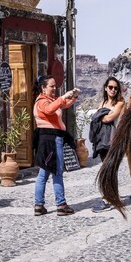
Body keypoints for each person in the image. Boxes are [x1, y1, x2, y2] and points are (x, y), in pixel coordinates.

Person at [32, 75, 79, 216]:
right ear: (43, 88)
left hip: (49, 139)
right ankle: (61, 205)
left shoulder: (49, 100)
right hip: (51, 140)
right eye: (51, 86)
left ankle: (39, 205)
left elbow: (63, 104)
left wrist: (74, 96)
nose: (54, 88)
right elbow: (49, 110)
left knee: (44, 172)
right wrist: (64, 95)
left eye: (55, 86)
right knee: (57, 172)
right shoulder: (41, 102)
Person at [90, 76, 126, 212]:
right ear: (105, 88)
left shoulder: (120, 103)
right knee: (107, 168)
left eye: (116, 88)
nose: (113, 90)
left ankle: (108, 199)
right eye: (110, 87)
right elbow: (100, 118)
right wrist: (101, 116)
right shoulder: (102, 102)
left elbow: (109, 118)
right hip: (102, 140)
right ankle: (111, 197)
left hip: (113, 140)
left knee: (110, 169)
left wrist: (100, 116)